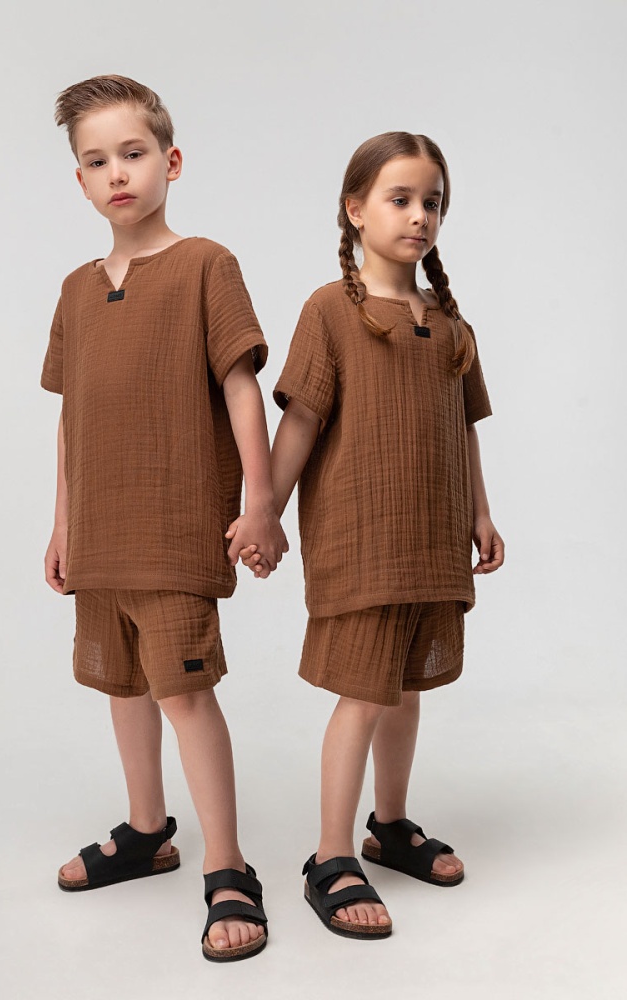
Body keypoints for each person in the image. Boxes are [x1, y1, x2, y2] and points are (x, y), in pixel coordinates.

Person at [40, 74, 287, 962]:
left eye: (133, 153)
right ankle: (148, 830)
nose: (117, 173)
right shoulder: (75, 290)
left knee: (183, 691)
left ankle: (229, 866)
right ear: (79, 180)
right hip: (101, 533)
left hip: (176, 528)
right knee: (123, 685)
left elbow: (240, 387)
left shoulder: (206, 265)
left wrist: (260, 500)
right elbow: (72, 417)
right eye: (96, 160)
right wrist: (63, 523)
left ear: (170, 162)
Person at [234, 132, 504, 939]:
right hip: (362, 541)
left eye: (433, 203)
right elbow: (301, 421)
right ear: (355, 209)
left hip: (432, 541)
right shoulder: (332, 310)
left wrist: (481, 513)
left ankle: (389, 825)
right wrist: (264, 509)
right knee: (363, 695)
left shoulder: (450, 324)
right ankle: (330, 855)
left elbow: (464, 426)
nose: (420, 215)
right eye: (401, 199)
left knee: (407, 689)